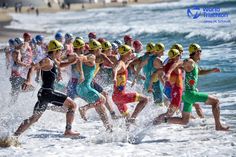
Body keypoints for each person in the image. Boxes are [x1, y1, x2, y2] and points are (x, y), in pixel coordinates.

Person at [153, 43, 229, 131]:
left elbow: (200, 72)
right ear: (196, 52)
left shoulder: (193, 64)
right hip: (190, 93)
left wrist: (212, 70)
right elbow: (177, 62)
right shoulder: (189, 61)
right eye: (200, 51)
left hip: (185, 96)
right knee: (216, 102)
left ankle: (160, 120)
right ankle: (218, 126)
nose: (201, 54)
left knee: (184, 121)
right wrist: (169, 72)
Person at [14, 40, 80, 137]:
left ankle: (14, 136)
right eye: (60, 51)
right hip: (48, 93)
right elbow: (33, 68)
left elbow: (59, 65)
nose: (61, 53)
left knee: (34, 119)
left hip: (43, 94)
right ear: (55, 51)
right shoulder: (47, 60)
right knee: (73, 105)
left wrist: (71, 62)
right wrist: (28, 80)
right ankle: (68, 131)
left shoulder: (52, 61)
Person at [76, 39, 112, 130]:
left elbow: (79, 59)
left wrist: (81, 73)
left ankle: (108, 128)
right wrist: (81, 74)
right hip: (85, 87)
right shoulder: (92, 56)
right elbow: (79, 59)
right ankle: (84, 108)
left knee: (100, 107)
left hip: (80, 88)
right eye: (100, 49)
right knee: (103, 99)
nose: (101, 51)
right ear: (97, 49)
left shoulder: (89, 56)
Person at [112, 44, 148, 124]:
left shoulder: (123, 63)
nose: (131, 54)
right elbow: (115, 69)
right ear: (125, 54)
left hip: (115, 98)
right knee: (145, 99)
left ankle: (125, 135)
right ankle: (133, 119)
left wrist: (131, 61)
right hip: (121, 96)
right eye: (129, 53)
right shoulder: (120, 63)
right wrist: (114, 78)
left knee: (127, 119)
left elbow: (126, 65)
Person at [153, 48, 182, 123]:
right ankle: (156, 122)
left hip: (174, 91)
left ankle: (155, 121)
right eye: (178, 55)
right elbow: (176, 64)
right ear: (175, 56)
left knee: (170, 112)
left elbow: (156, 71)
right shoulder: (175, 63)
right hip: (177, 91)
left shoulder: (167, 65)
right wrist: (168, 73)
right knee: (170, 114)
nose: (180, 56)